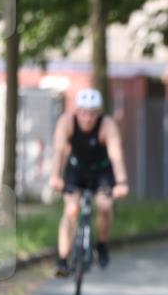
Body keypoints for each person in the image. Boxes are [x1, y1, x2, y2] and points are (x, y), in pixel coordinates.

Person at [49, 88, 129, 277]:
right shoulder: (66, 122)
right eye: (84, 112)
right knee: (71, 210)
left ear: (98, 113)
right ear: (77, 111)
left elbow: (116, 154)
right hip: (76, 170)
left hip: (101, 171)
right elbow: (59, 151)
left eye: (92, 113)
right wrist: (55, 176)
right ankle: (62, 259)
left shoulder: (107, 125)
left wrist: (122, 181)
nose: (87, 118)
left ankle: (102, 244)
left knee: (104, 206)